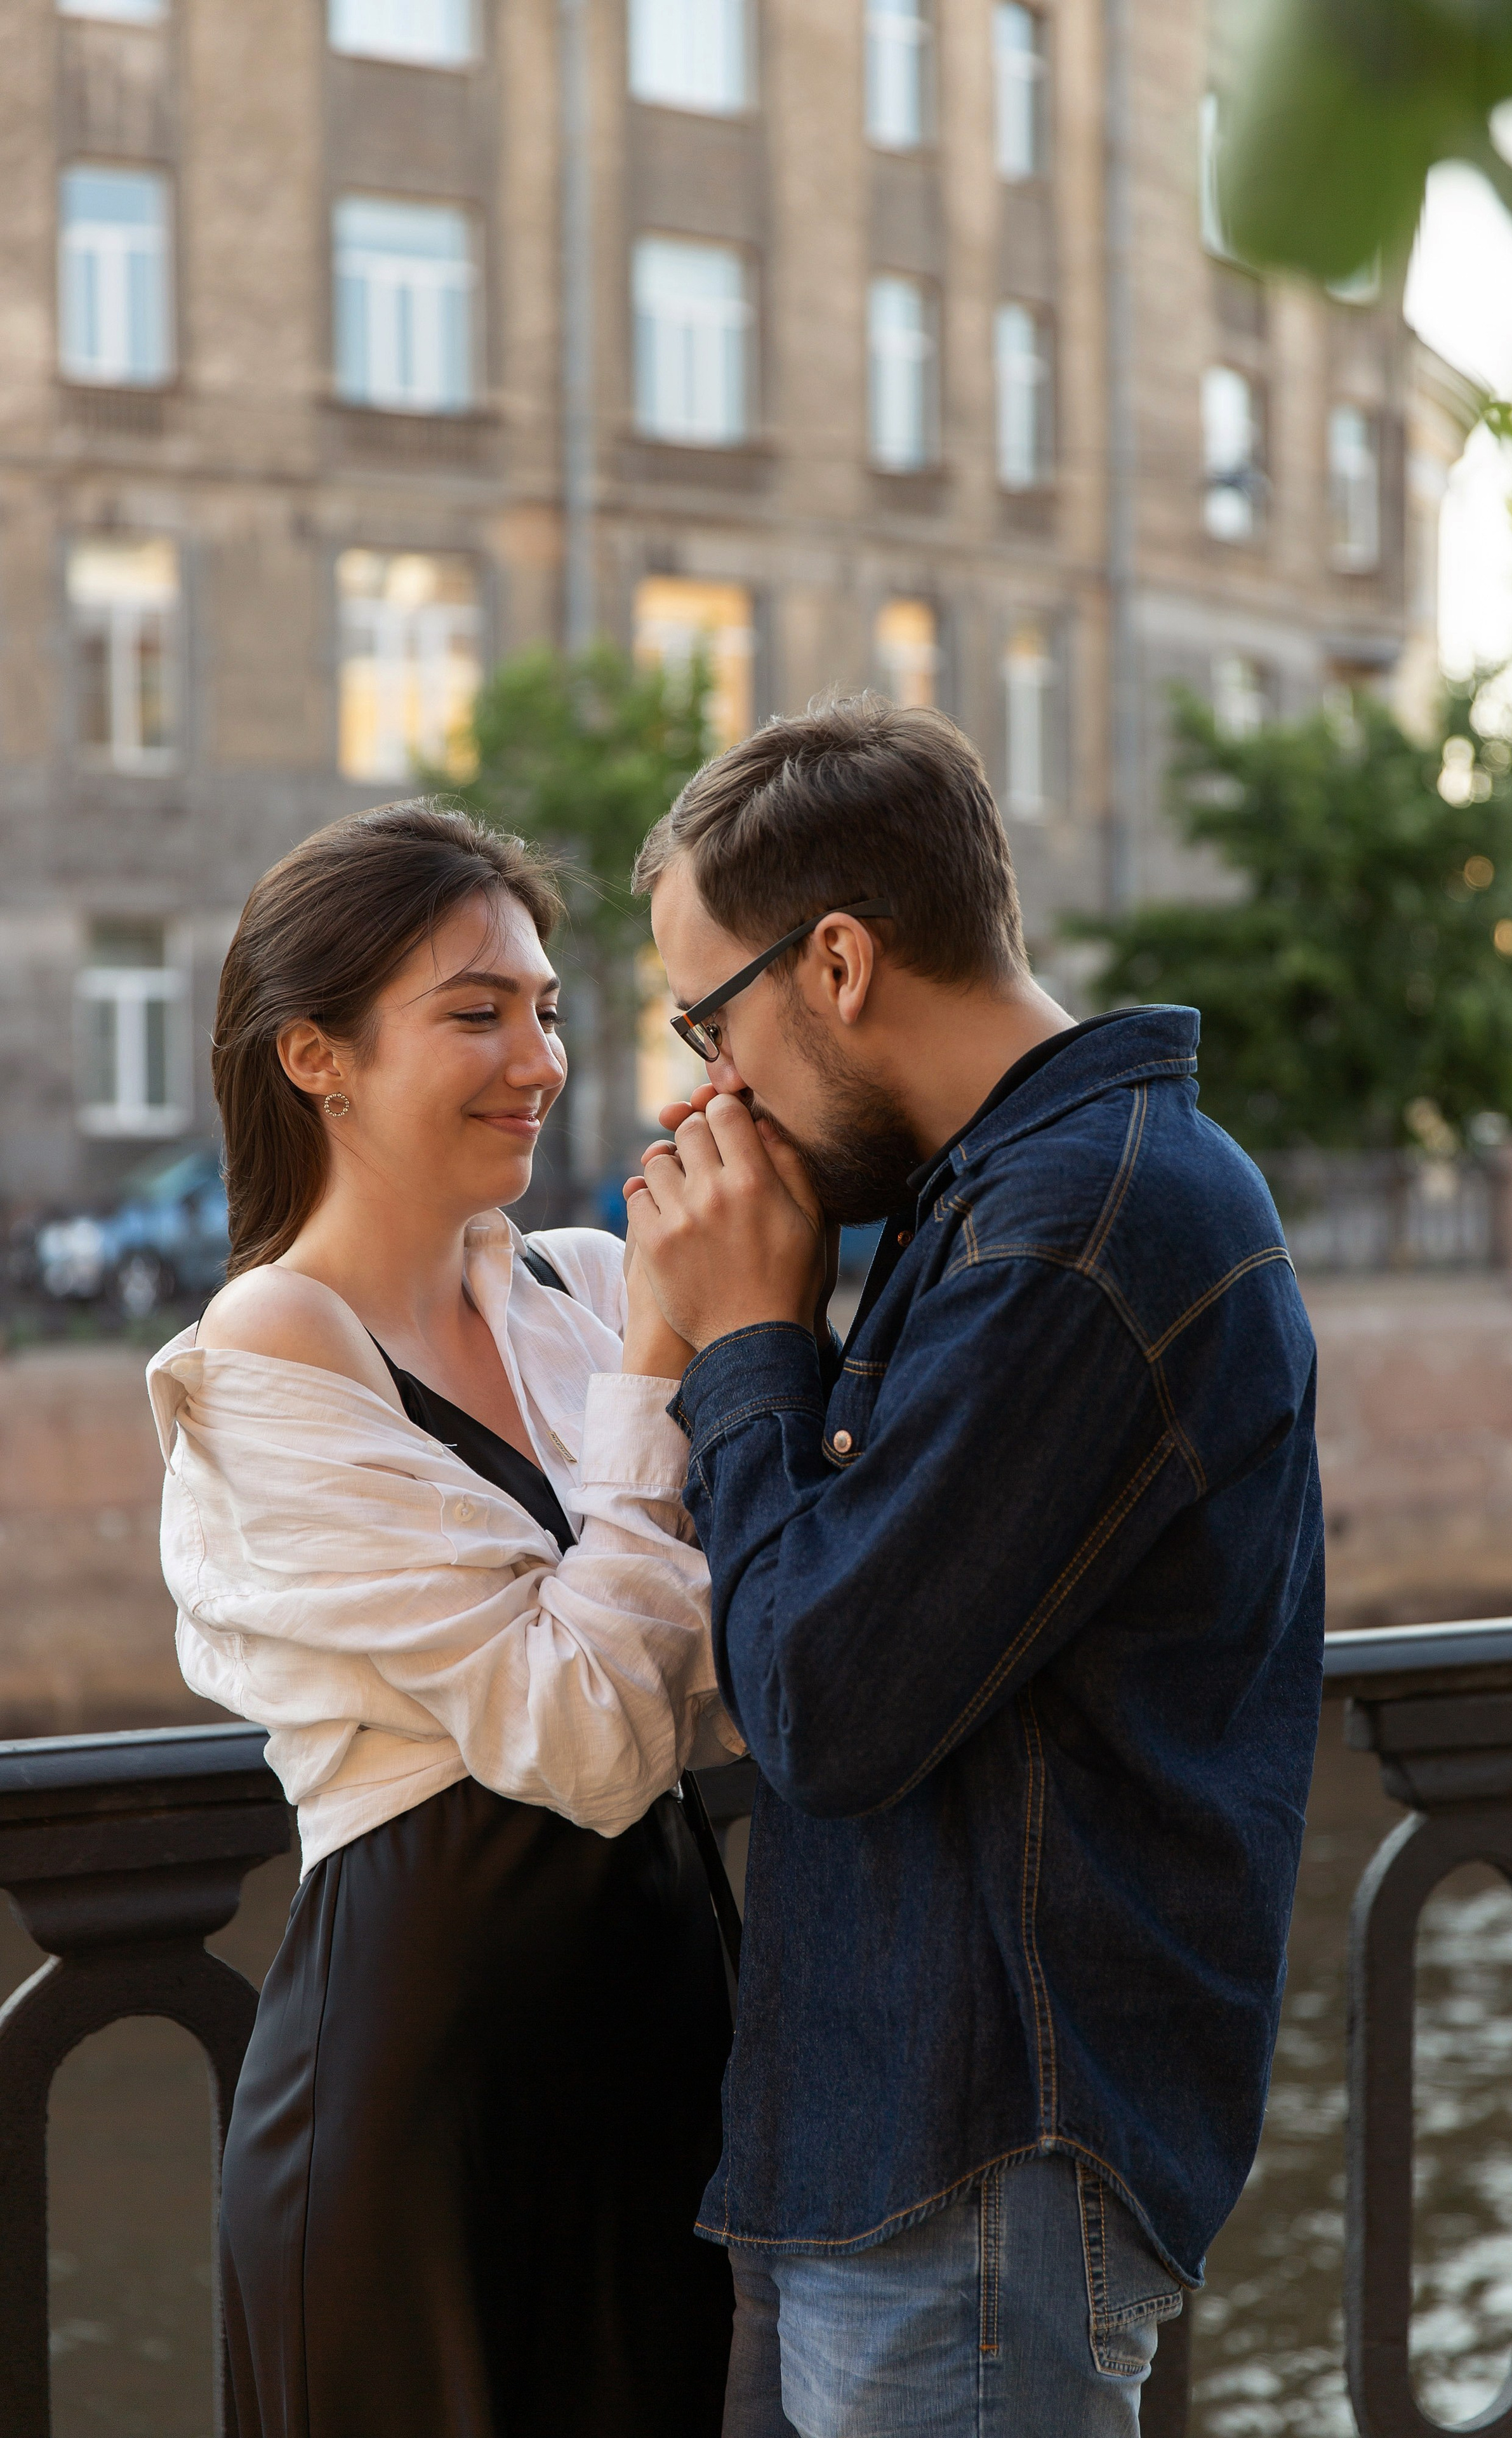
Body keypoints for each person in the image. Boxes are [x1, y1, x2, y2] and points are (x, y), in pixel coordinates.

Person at [622, 696, 1326, 2438]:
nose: (713, 1087)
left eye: (713, 1017)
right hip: (897, 2137)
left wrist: (742, 1348)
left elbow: (829, 1703)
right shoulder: (1008, 1197)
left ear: (839, 962)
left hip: (979, 2156)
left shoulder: (1081, 1229)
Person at [147, 800, 739, 2438]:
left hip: (657, 2054)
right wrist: (663, 1380)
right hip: (425, 2086)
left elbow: (739, 1647)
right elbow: (598, 1737)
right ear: (315, 1058)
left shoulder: (583, 1288)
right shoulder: (273, 1345)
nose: (538, 1057)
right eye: (475, 1013)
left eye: (547, 1010)